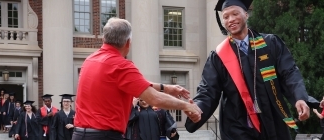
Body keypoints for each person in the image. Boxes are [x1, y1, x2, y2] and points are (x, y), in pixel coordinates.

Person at [184, 0, 311, 139]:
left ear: (246, 14)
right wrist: (197, 109)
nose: (230, 20)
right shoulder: (219, 56)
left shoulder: (270, 43)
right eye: (226, 17)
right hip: (238, 127)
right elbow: (208, 91)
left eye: (235, 14)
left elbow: (289, 73)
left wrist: (299, 98)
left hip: (272, 121)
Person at [73, 17, 202, 140]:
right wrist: (187, 106)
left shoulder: (89, 61)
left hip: (78, 134)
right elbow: (155, 99)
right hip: (105, 136)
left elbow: (136, 84)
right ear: (128, 43)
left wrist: (166, 88)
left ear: (103, 39)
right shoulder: (121, 66)